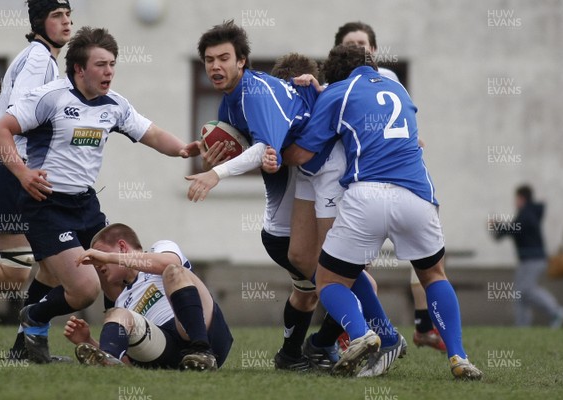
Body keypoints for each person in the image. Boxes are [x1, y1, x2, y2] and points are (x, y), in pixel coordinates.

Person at [0, 26, 200, 364]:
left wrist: (184, 150)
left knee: (115, 278)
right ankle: (35, 316)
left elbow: (153, 133)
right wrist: (23, 173)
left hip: (85, 204)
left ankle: (107, 352)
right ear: (79, 69)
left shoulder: (114, 105)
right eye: (101, 65)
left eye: (112, 64)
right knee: (85, 288)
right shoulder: (50, 97)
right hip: (46, 204)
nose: (109, 72)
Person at [281, 44, 482, 379]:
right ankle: (459, 357)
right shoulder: (398, 88)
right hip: (417, 194)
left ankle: (362, 334)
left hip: (367, 195)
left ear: (335, 75)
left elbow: (302, 154)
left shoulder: (338, 93)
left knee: (328, 280)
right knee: (433, 276)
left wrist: (268, 148)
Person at [188, 23, 341, 371]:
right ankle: (335, 344)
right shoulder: (236, 104)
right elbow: (262, 151)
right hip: (285, 232)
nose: (215, 66)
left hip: (283, 229)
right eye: (209, 59)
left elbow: (267, 150)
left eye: (224, 58)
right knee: (350, 285)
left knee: (309, 293)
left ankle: (292, 356)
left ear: (242, 60)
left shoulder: (267, 92)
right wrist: (217, 163)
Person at [0, 0, 72, 360]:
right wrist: (23, 170)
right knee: (39, 268)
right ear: (40, 22)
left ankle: (23, 349)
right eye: (58, 16)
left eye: (69, 16)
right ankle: (25, 347)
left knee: (32, 271)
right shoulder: (40, 60)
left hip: (15, 169)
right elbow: (12, 121)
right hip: (18, 169)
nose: (67, 22)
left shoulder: (40, 58)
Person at [335, 21, 445, 352]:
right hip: (353, 183)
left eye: (364, 44)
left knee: (428, 255)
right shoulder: (333, 84)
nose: (359, 49)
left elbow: (400, 124)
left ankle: (422, 325)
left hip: (397, 181)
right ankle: (354, 334)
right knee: (353, 268)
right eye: (351, 44)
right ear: (340, 50)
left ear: (374, 50)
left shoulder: (390, 79)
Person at [63, 223, 233, 370]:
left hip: (208, 336)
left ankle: (203, 351)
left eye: (99, 255)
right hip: (169, 352)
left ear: (122, 246)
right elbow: (130, 363)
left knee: (173, 270)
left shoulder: (161, 248)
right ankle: (107, 360)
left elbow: (168, 263)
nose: (98, 264)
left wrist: (110, 257)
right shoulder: (122, 300)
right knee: (116, 313)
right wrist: (87, 341)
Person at [490, 185, 563, 328]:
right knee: (519, 293)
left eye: (516, 199)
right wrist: (499, 231)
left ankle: (556, 311)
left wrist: (498, 225)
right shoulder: (527, 212)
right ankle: (522, 325)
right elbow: (514, 229)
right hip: (528, 260)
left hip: (534, 260)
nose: (515, 202)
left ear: (521, 198)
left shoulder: (527, 213)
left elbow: (516, 227)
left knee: (527, 290)